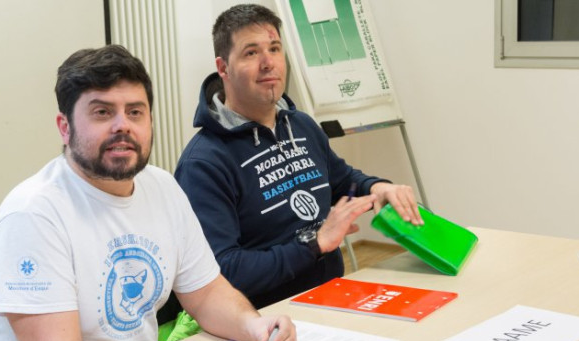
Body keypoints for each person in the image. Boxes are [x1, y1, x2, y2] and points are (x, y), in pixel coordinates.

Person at [0, 44, 296, 341]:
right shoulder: (33, 213)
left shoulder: (163, 187)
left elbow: (207, 293)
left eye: (135, 112)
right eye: (102, 112)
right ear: (65, 128)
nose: (122, 125)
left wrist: (254, 326)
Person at [174, 4, 424, 310]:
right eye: (251, 53)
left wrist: (377, 188)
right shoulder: (203, 164)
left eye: (275, 48)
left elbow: (341, 181)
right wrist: (314, 245)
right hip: (262, 323)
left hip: (331, 298)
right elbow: (222, 274)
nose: (269, 63)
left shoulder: (302, 125)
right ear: (223, 67)